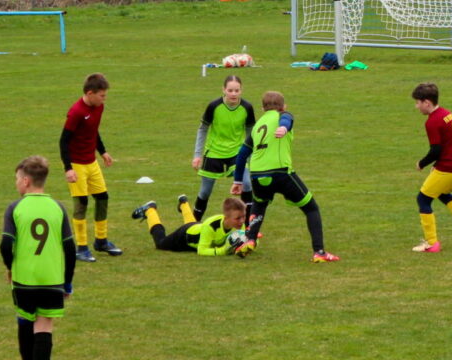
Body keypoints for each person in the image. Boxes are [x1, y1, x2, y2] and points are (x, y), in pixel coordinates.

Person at [230, 91, 340, 263]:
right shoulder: (284, 115)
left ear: (262, 108)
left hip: (257, 174)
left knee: (259, 205)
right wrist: (283, 127)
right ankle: (319, 252)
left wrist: (237, 180)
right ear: (284, 106)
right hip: (280, 172)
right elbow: (286, 119)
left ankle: (250, 239)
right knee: (311, 208)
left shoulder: (258, 125)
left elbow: (242, 154)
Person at [0, 155, 76, 360]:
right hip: (52, 279)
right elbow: (70, 249)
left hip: (24, 279)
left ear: (26, 181)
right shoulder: (58, 208)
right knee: (44, 326)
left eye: (17, 179)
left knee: (24, 320)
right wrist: (67, 281)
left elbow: (5, 244)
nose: (16, 183)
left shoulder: (15, 208)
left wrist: (10, 267)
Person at [59, 72, 122, 262]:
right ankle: (81, 247)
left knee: (102, 198)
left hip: (91, 163)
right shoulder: (76, 112)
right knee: (81, 204)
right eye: (102, 95)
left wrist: (103, 152)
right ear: (90, 93)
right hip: (77, 165)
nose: (104, 99)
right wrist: (68, 168)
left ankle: (101, 241)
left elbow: (93, 131)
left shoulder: (98, 107)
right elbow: (63, 141)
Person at [411, 82, 452, 252]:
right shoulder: (447, 114)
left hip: (449, 166)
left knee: (423, 199)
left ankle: (432, 243)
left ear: (427, 102)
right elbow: (449, 144)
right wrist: (437, 165)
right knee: (441, 193)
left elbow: (436, 150)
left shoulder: (432, 122)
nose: (416, 106)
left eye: (418, 102)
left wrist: (421, 163)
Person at [192, 75, 256, 224]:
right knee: (205, 191)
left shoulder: (247, 107)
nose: (233, 94)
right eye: (230, 90)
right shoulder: (214, 106)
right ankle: (192, 225)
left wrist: (251, 155)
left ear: (241, 90)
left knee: (246, 184)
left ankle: (248, 227)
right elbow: (203, 129)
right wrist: (197, 155)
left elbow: (251, 131)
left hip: (237, 153)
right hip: (214, 152)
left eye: (237, 90)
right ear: (224, 90)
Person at [131, 195, 246, 256]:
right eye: (238, 218)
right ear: (226, 218)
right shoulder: (211, 226)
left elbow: (247, 239)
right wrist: (223, 251)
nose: (242, 221)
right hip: (184, 236)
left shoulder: (239, 224)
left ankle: (184, 203)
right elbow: (202, 250)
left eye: (243, 217)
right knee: (160, 243)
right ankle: (150, 210)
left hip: (196, 227)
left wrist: (247, 246)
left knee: (192, 223)